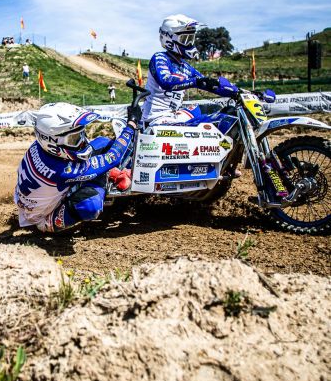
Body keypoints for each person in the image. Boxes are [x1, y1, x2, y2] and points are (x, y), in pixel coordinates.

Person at [14, 101, 141, 232]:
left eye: (81, 134)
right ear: (52, 142)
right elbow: (113, 157)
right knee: (91, 204)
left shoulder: (39, 145)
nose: (82, 141)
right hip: (43, 217)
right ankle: (51, 224)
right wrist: (131, 125)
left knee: (103, 143)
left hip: (29, 202)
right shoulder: (63, 170)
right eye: (74, 139)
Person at [142, 14, 275, 127]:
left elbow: (210, 84)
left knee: (226, 113)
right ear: (169, 39)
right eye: (185, 39)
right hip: (156, 119)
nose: (190, 43)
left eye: (191, 39)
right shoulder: (160, 58)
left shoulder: (186, 67)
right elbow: (166, 81)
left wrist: (245, 93)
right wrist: (195, 82)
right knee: (216, 122)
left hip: (173, 116)